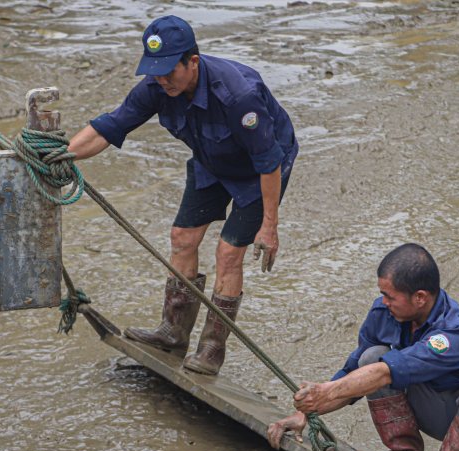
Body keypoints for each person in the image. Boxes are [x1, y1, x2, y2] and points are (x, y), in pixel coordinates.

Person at [67, 15, 299, 376]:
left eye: (169, 71)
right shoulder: (157, 87)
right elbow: (110, 126)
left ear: (192, 62)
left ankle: (211, 349)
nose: (161, 79)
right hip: (212, 160)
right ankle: (173, 332)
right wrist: (59, 156)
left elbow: (268, 162)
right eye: (155, 70)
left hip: (260, 172)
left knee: (228, 253)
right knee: (182, 238)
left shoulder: (239, 96)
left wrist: (270, 226)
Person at [265, 243, 459, 451]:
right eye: (383, 294)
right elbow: (354, 371)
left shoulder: (456, 332)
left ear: (420, 297)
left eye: (391, 296)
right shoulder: (383, 313)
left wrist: (325, 392)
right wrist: (305, 414)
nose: (384, 302)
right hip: (433, 405)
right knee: (371, 357)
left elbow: (385, 373)